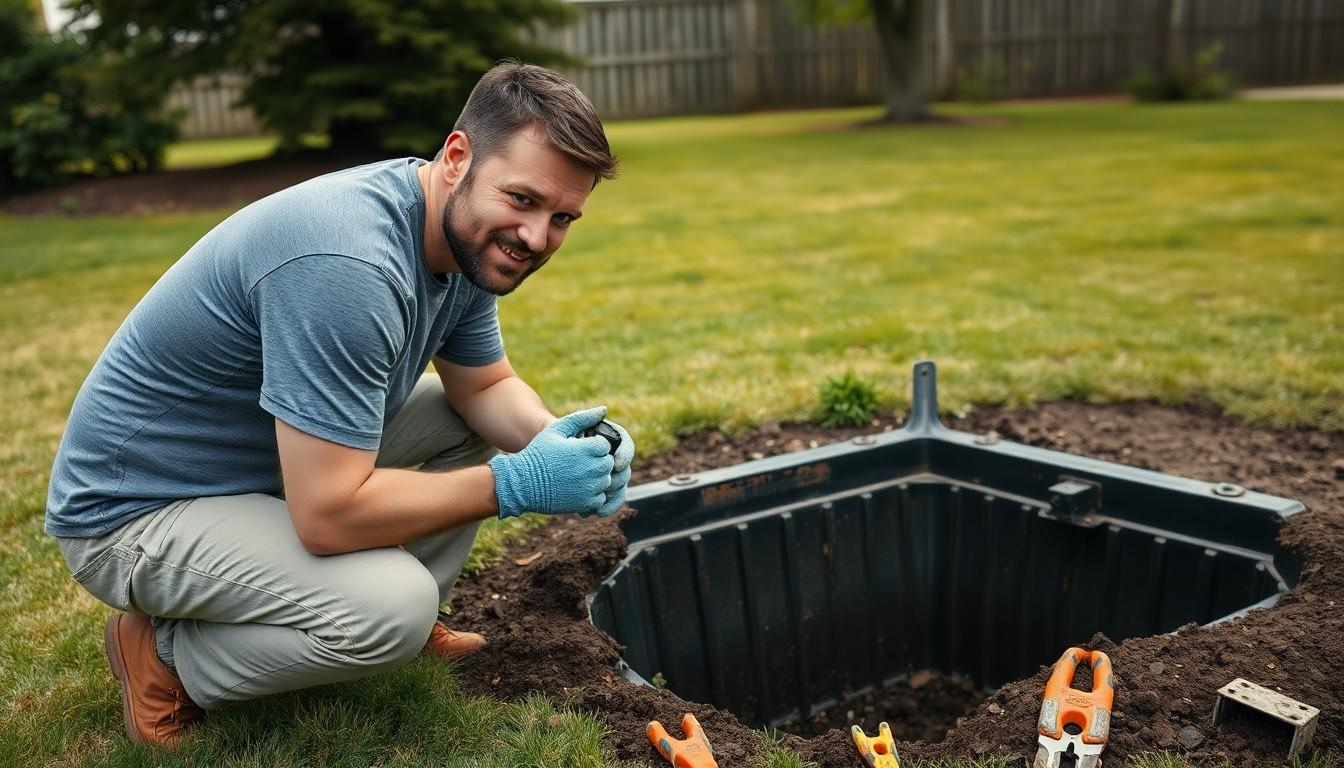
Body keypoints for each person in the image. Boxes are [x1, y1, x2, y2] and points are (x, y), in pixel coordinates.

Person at [44, 61, 634, 748]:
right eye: (523, 200)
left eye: (563, 217)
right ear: (457, 157)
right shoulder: (349, 266)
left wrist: (553, 441)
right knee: (392, 607)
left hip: (258, 464)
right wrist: (519, 483)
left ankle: (388, 622)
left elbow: (484, 388)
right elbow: (326, 515)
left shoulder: (462, 239)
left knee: (454, 416)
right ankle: (167, 656)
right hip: (135, 510)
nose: (536, 238)